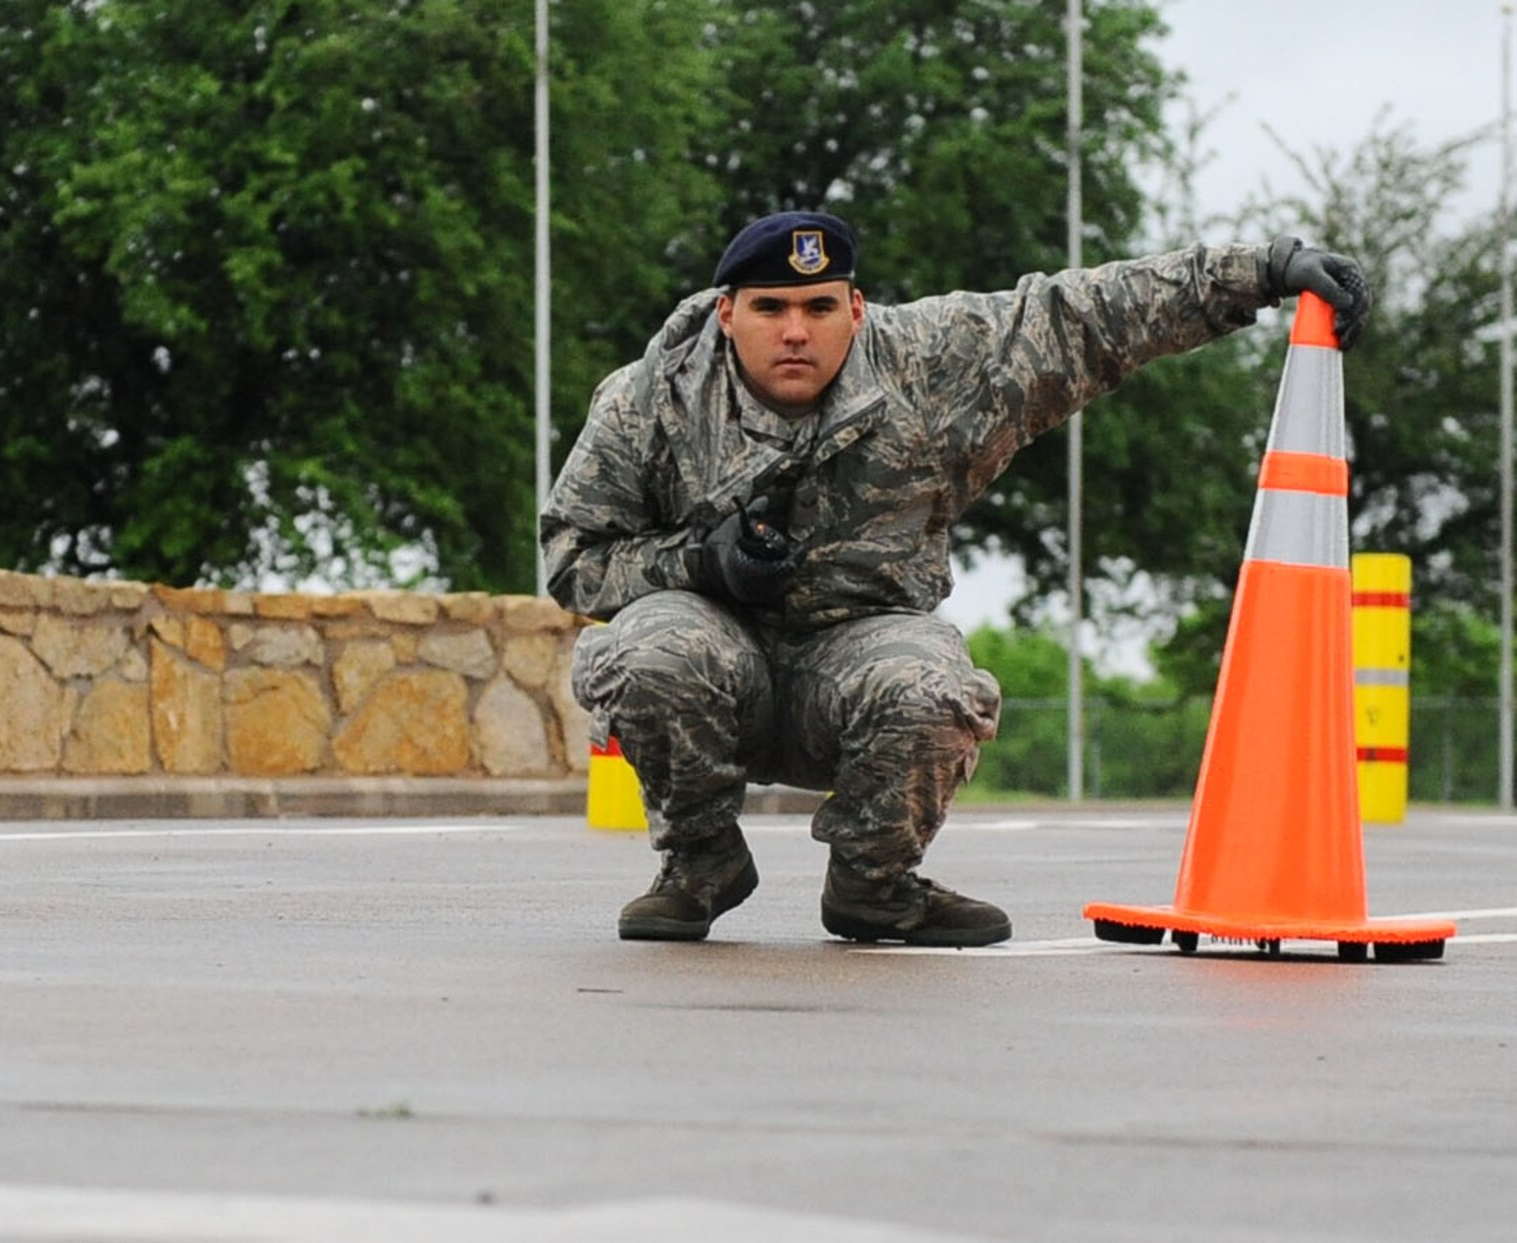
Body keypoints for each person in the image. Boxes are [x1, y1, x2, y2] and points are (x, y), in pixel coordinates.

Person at [540, 211, 1370, 947]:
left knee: (938, 686)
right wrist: (701, 562)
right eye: (770, 308)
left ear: (855, 310)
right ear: (727, 313)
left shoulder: (929, 363)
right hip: (712, 658)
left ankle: (874, 886)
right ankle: (700, 863)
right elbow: (572, 558)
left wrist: (1264, 271)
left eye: (819, 306)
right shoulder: (649, 399)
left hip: (859, 651)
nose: (796, 330)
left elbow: (1083, 318)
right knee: (645, 651)